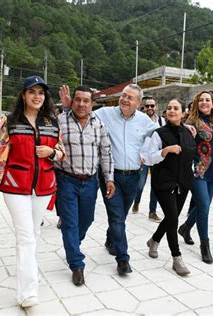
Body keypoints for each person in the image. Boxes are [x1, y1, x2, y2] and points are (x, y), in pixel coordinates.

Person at [59, 83, 158, 276]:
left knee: (120, 216)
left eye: (130, 97)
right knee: (117, 218)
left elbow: (161, 131)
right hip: (110, 176)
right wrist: (67, 106)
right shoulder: (104, 114)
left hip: (133, 177)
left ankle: (110, 239)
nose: (125, 99)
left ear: (138, 103)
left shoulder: (144, 120)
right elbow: (81, 112)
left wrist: (183, 126)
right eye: (123, 95)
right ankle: (123, 259)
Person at [0, 76, 65, 308]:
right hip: (15, 185)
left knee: (33, 235)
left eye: (41, 92)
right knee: (26, 237)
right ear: (23, 95)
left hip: (42, 186)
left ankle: (27, 276)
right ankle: (28, 293)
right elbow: (0, 154)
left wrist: (51, 153)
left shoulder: (52, 122)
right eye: (32, 92)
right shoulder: (9, 121)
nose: (37, 96)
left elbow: (61, 151)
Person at [55, 86, 115, 286]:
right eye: (77, 100)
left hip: (90, 182)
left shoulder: (99, 125)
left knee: (86, 219)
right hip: (66, 180)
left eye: (85, 101)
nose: (81, 104)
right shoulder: (60, 122)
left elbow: (106, 153)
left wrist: (109, 179)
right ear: (72, 101)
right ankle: (76, 264)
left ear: (91, 104)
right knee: (70, 223)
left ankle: (73, 243)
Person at [177, 91, 213, 264]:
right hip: (197, 170)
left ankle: (186, 227)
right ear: (197, 103)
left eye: (207, 100)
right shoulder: (191, 121)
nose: (204, 102)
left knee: (205, 205)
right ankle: (205, 246)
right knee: (204, 206)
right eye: (201, 100)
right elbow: (180, 133)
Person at [142, 99, 196, 276]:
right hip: (164, 183)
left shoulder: (189, 133)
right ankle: (176, 258)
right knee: (173, 219)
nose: (172, 110)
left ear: (183, 113)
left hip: (183, 183)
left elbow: (190, 158)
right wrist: (164, 151)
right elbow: (148, 158)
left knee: (172, 218)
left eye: (176, 108)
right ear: (165, 112)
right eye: (169, 108)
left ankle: (154, 240)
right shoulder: (158, 133)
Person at [132, 96, 165, 222]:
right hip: (143, 158)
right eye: (147, 106)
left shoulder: (162, 121)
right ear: (143, 108)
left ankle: (152, 212)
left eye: (152, 106)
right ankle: (136, 201)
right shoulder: (139, 121)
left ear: (156, 107)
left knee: (155, 186)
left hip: (156, 158)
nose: (150, 108)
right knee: (140, 185)